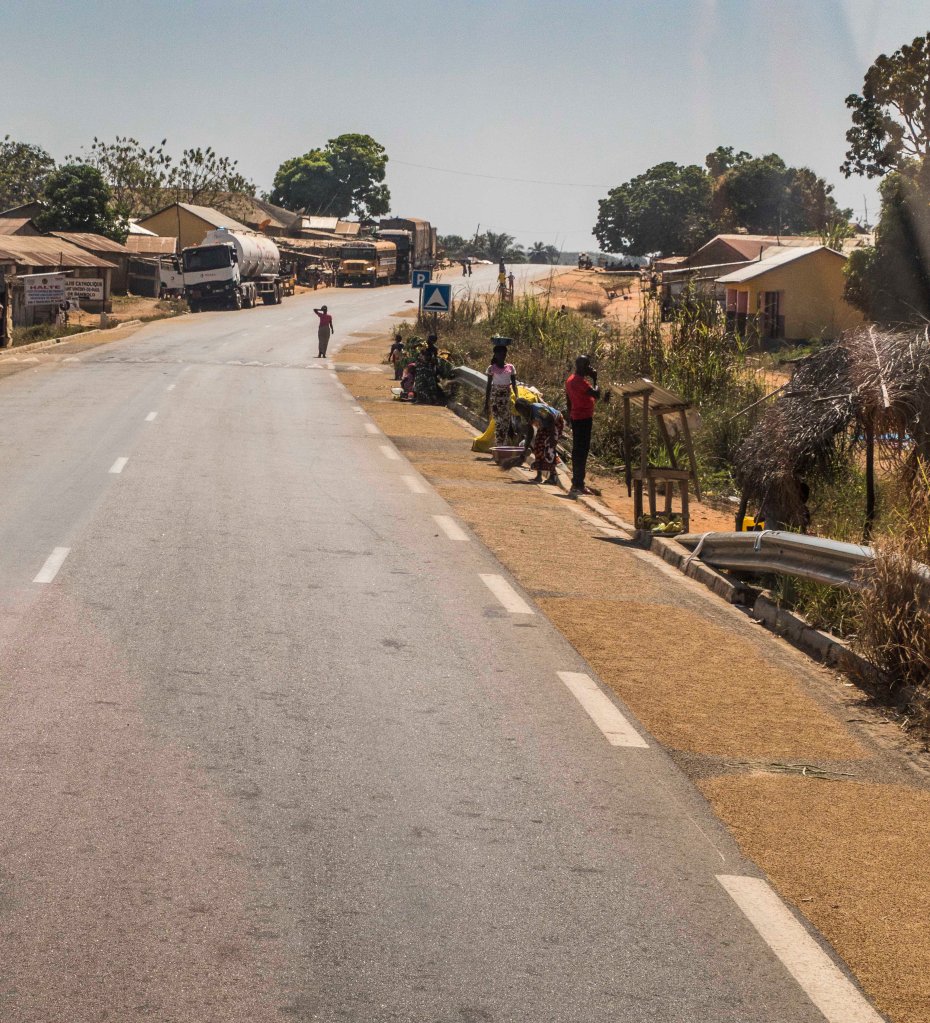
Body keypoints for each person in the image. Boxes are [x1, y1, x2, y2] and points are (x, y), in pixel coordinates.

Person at [565, 355, 601, 495]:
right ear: (582, 367)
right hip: (584, 418)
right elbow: (596, 394)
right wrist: (595, 378)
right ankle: (579, 483)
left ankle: (577, 482)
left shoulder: (570, 380)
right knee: (582, 451)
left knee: (577, 450)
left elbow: (568, 400)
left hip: (575, 417)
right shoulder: (581, 382)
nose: (589, 368)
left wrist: (570, 416)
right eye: (587, 366)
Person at [514, 397, 565, 485]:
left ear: (526, 407)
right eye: (520, 412)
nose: (522, 413)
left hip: (555, 423)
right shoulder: (527, 415)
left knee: (549, 448)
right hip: (544, 426)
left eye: (522, 411)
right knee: (537, 446)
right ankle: (539, 475)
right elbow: (530, 432)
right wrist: (525, 449)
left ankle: (553, 477)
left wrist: (553, 436)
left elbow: (551, 419)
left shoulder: (538, 409)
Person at [483, 338, 519, 448]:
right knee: (498, 422)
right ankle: (499, 446)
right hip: (496, 398)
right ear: (496, 355)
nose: (503, 355)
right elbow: (489, 386)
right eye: (500, 353)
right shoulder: (491, 368)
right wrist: (486, 402)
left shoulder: (510, 367)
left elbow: (514, 384)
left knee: (506, 422)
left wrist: (517, 398)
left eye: (504, 353)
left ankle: (503, 445)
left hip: (506, 398)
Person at [413, 334, 444, 405]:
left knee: (430, 386)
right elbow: (413, 348)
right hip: (422, 369)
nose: (429, 341)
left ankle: (433, 400)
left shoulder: (434, 349)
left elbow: (434, 360)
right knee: (420, 385)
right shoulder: (422, 345)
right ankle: (421, 399)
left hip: (427, 369)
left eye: (431, 340)